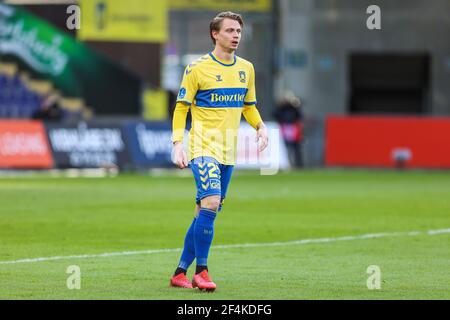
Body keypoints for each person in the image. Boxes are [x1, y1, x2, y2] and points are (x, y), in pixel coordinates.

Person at [170, 11, 268, 291]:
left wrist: (260, 126)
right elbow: (181, 107)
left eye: (238, 31)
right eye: (230, 30)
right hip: (202, 147)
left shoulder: (246, 68)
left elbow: (248, 105)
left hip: (228, 151)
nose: (236, 35)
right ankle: (202, 271)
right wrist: (178, 142)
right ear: (215, 34)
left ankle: (179, 273)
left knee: (204, 209)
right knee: (211, 202)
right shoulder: (196, 68)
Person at [273, 92, 304, 168]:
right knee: (284, 148)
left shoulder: (293, 108)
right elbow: (275, 114)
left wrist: (294, 104)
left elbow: (299, 115)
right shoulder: (281, 108)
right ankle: (283, 164)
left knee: (296, 148)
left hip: (293, 129)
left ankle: (299, 165)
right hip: (284, 128)